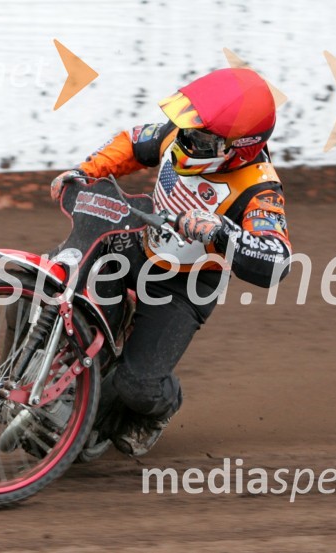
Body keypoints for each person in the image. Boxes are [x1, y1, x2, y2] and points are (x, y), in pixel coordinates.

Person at [49, 68, 292, 456]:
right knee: (53, 280)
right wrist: (86, 170)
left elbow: (277, 259)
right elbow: (132, 142)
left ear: (240, 147)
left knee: (137, 386)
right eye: (189, 128)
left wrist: (220, 232)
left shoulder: (260, 190)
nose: (187, 140)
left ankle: (161, 407)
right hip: (136, 243)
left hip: (185, 285)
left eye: (203, 138)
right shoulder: (178, 135)